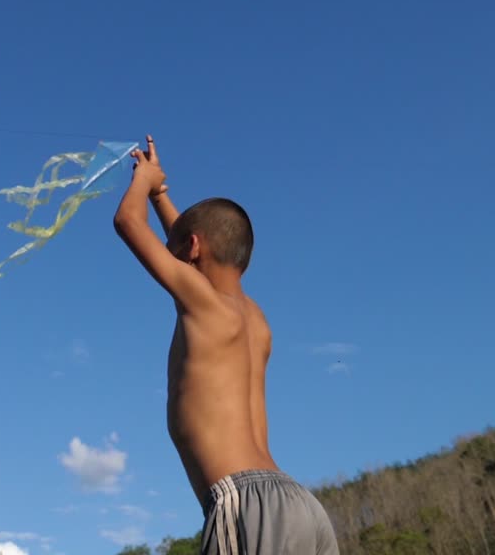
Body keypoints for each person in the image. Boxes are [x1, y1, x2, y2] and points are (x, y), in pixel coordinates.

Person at [112, 135, 339, 554]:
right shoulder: (255, 321)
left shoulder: (204, 306)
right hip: (301, 508)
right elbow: (191, 242)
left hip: (244, 503)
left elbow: (128, 222)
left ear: (193, 249)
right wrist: (161, 195)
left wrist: (143, 181)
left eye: (174, 250)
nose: (170, 257)